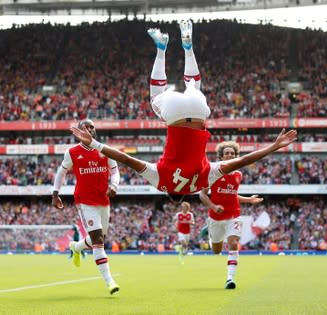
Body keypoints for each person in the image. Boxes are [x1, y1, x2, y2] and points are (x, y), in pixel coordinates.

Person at [70, 20, 297, 201]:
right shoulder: (160, 182)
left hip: (198, 114)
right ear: (168, 193)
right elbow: (126, 159)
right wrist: (94, 144)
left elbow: (241, 161)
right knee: (156, 97)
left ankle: (188, 48)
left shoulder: (203, 182)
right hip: (175, 115)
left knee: (194, 87)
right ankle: (161, 48)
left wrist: (275, 146)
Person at [52, 119, 121, 295]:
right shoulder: (73, 152)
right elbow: (61, 171)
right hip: (84, 201)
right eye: (87, 127)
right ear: (80, 131)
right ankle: (109, 282)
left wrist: (114, 185)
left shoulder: (104, 150)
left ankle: (76, 247)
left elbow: (115, 172)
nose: (90, 129)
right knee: (98, 242)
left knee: (98, 239)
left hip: (104, 200)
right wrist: (55, 193)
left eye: (92, 127)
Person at [199, 141, 263, 289]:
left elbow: (232, 195)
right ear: (221, 156)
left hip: (233, 214)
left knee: (234, 243)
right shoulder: (212, 173)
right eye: (227, 153)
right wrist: (213, 207)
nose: (230, 155)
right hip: (215, 217)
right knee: (216, 251)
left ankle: (230, 279)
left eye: (233, 154)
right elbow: (202, 195)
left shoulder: (238, 174)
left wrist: (249, 199)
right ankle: (209, 230)